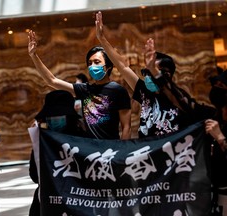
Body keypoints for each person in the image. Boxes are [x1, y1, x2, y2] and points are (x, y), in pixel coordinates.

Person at [95, 11, 215, 138]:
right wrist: (102, 39)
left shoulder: (177, 98)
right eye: (145, 72)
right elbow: (123, 67)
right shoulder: (144, 92)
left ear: (167, 75)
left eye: (151, 72)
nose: (147, 77)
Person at [28, 30, 132, 140]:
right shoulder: (84, 89)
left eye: (97, 62)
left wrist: (122, 153)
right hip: (89, 151)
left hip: (111, 150)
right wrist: (34, 56)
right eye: (90, 63)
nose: (92, 66)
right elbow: (51, 81)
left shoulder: (118, 90)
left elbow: (127, 127)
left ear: (108, 66)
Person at [28, 90, 86, 216]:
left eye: (58, 116)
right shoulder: (41, 141)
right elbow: (34, 175)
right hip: (50, 200)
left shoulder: (83, 140)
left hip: (73, 200)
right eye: (50, 117)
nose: (53, 120)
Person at [206, 72, 227, 216]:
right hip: (216, 190)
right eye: (215, 86)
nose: (215, 89)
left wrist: (220, 138)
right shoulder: (215, 117)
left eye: (221, 86)